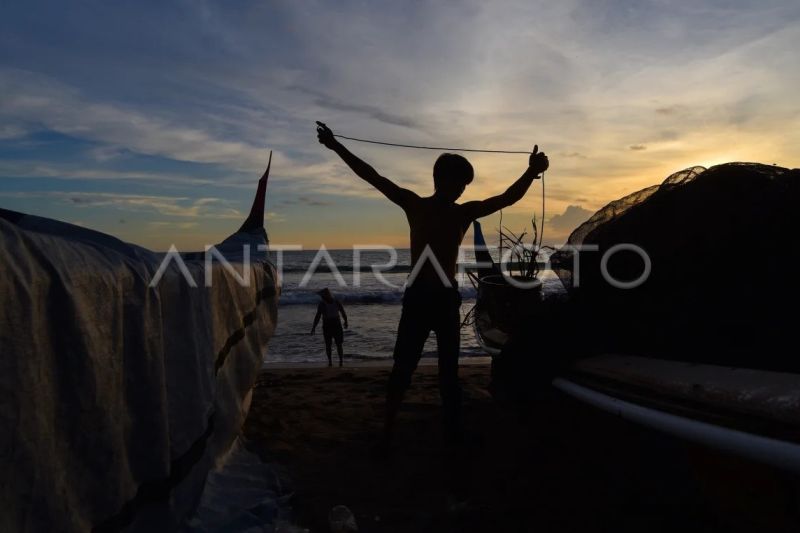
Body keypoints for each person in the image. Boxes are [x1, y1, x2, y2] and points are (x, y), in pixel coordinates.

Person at [316, 121, 549, 445]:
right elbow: (371, 176)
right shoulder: (417, 205)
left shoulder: (459, 211)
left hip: (443, 299)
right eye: (460, 184)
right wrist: (335, 145)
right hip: (421, 299)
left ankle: (449, 435)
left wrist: (531, 172)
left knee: (447, 376)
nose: (462, 190)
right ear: (444, 180)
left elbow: (508, 198)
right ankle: (388, 431)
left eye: (465, 186)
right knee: (404, 369)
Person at [311, 288, 348, 366]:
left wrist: (346, 321)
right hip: (329, 324)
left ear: (326, 295)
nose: (321, 297)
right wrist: (314, 327)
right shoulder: (322, 304)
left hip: (335, 324)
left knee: (338, 344)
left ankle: (340, 361)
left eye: (322, 296)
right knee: (329, 345)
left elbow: (342, 312)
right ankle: (330, 361)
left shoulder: (336, 302)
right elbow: (317, 316)